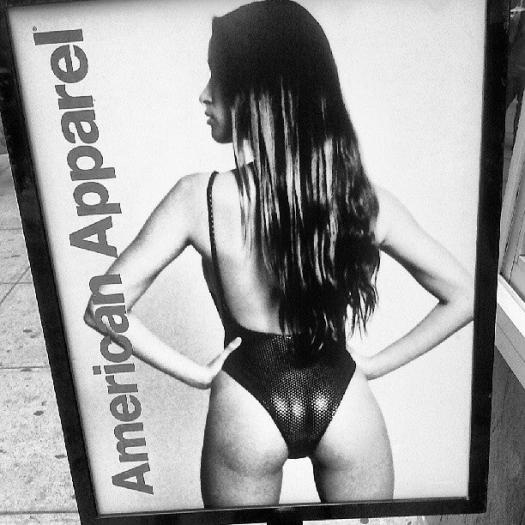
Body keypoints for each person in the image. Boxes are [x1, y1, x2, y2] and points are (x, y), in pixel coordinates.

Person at [84, 0, 473, 508]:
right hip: (345, 401)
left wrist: (198, 374)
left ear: (258, 90)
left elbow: (103, 307)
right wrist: (373, 365)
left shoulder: (198, 199)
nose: (204, 94)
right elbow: (465, 294)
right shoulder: (362, 200)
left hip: (247, 402)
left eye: (217, 75)